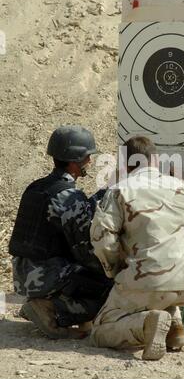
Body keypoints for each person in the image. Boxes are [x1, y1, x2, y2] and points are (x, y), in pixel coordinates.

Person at [90, 136, 184, 360]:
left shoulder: (119, 191)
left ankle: (146, 326)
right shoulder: (181, 187)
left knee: (100, 329)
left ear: (125, 164)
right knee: (161, 289)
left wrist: (115, 270)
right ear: (156, 159)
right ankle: (175, 329)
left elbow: (101, 237)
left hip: (146, 281)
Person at [9, 125, 113, 339]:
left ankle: (43, 302)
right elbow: (87, 253)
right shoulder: (70, 198)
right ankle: (53, 310)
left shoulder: (37, 187)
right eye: (87, 157)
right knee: (110, 291)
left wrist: (95, 200)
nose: (90, 162)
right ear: (74, 160)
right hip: (46, 275)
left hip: (23, 274)